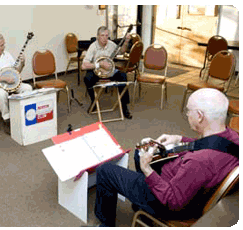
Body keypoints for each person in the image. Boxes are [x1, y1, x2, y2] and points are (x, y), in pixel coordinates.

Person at [94, 88, 239, 227]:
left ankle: (106, 224)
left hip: (169, 202)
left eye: (188, 111)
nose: (187, 114)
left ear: (200, 116)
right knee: (141, 152)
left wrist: (147, 170)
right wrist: (179, 138)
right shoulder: (233, 137)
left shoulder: (199, 162)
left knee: (106, 171)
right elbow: (210, 144)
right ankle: (140, 204)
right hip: (188, 185)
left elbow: (172, 201)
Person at [0, 32, 33, 130]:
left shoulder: (7, 54)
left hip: (11, 82)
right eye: (1, 45)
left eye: (4, 44)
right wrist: (4, 78)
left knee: (27, 88)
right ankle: (7, 119)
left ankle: (24, 114)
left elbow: (16, 72)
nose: (4, 46)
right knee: (1, 93)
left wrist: (22, 63)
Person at [82, 26, 132, 119]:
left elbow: (121, 51)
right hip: (97, 71)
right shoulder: (93, 47)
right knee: (87, 79)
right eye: (102, 35)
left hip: (110, 71)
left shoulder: (111, 44)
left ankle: (124, 107)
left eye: (106, 35)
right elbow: (84, 65)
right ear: (98, 36)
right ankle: (94, 101)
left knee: (123, 77)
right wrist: (99, 64)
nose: (105, 38)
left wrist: (126, 42)